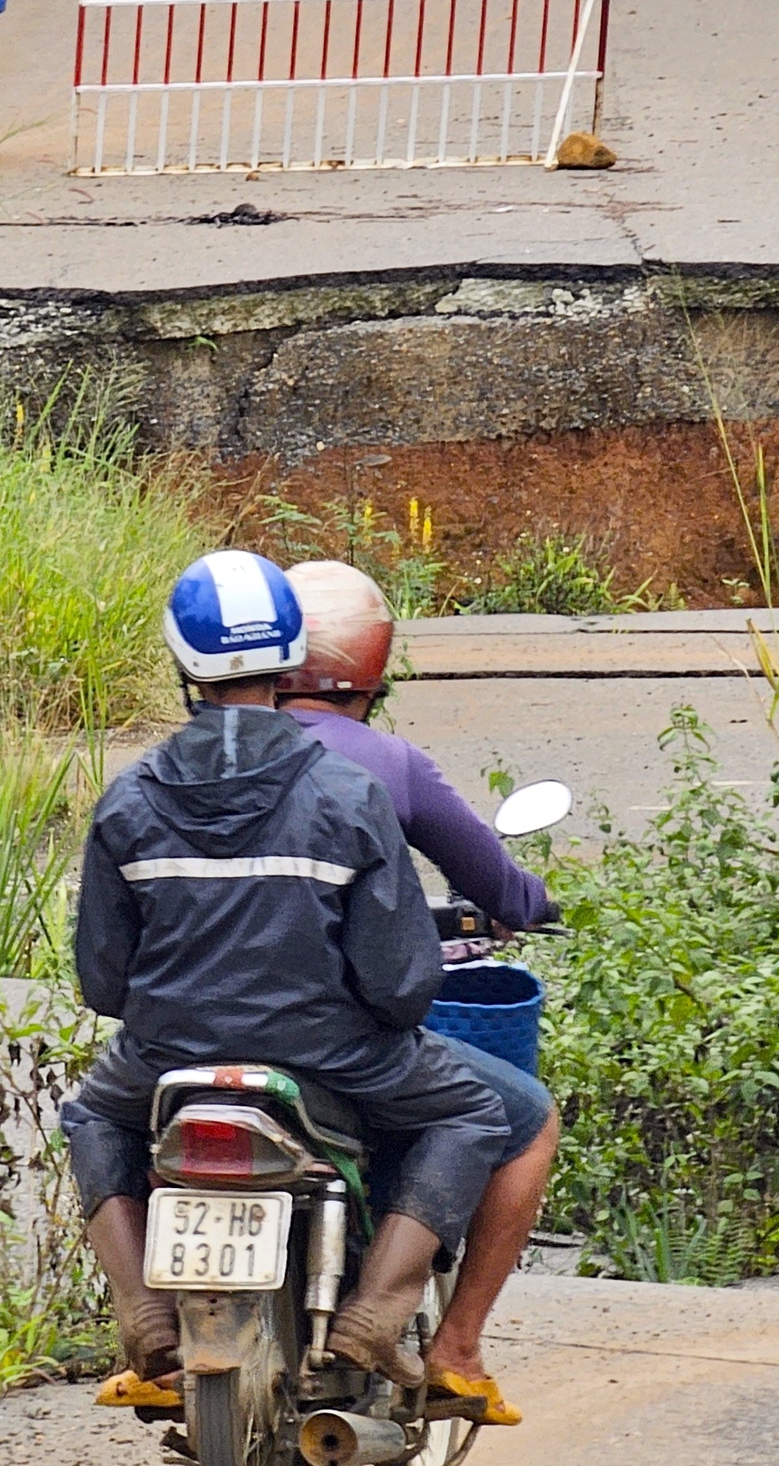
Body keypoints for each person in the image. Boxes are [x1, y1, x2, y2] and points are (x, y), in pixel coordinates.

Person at [63, 551, 509, 1416]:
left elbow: (103, 981)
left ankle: (142, 1312)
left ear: (181, 665)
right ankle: (378, 1314)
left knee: (90, 1114)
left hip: (165, 1060)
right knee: (472, 1111)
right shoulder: (347, 793)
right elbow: (402, 983)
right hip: (336, 1060)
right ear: (290, 655)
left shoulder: (128, 801)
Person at [276, 560, 554, 1427]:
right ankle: (456, 1346)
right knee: (521, 1116)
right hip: (342, 1040)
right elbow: (497, 888)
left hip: (192, 1033)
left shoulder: (196, 764)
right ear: (374, 672)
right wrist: (533, 904)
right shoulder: (391, 766)